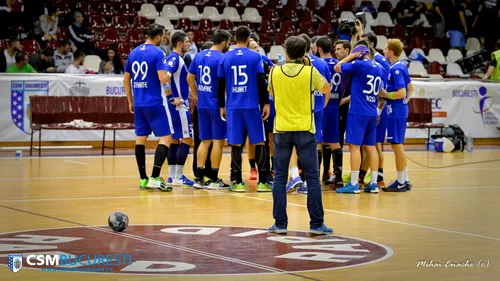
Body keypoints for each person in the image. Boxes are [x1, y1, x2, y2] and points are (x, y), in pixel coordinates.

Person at [267, 35, 332, 235]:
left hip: (282, 129)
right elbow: (326, 89)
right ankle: (316, 224)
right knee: (312, 178)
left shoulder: (274, 72)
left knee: (279, 178)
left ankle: (280, 224)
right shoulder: (311, 71)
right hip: (305, 128)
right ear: (304, 53)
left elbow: (273, 93)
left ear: (286, 52)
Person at [217, 26, 271, 193]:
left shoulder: (225, 57)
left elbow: (220, 85)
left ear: (234, 37)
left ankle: (237, 181)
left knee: (235, 143)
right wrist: (266, 104)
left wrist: (221, 106)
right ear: (249, 39)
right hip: (252, 105)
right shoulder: (256, 57)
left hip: (233, 106)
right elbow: (262, 82)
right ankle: (263, 182)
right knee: (259, 142)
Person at [124, 23, 174, 191]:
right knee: (166, 138)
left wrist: (130, 101)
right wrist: (168, 78)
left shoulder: (133, 52)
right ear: (159, 36)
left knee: (140, 139)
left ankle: (143, 179)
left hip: (138, 103)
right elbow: (162, 78)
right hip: (155, 102)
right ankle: (155, 177)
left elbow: (126, 80)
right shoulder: (158, 53)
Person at [334, 41, 384, 194]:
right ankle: (374, 183)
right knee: (370, 147)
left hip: (358, 112)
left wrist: (351, 56)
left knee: (354, 147)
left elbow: (337, 67)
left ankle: (354, 183)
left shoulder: (359, 64)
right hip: (372, 111)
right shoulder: (380, 68)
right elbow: (382, 91)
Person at [285, 33, 331, 194]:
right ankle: (311, 180)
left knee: (293, 144)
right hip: (317, 109)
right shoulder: (321, 63)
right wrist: (322, 106)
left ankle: (296, 177)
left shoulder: (291, 65)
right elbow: (327, 88)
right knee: (315, 142)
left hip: (297, 109)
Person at [187, 29, 232, 189]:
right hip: (216, 104)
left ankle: (199, 179)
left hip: (203, 104)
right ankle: (213, 179)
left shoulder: (199, 55)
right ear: (224, 42)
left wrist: (196, 94)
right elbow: (224, 83)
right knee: (218, 141)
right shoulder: (222, 58)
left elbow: (189, 77)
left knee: (204, 141)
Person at [380, 38, 414, 192]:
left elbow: (402, 92)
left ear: (392, 51)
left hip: (395, 110)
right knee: (398, 145)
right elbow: (411, 88)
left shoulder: (395, 69)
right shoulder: (400, 66)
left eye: (386, 49)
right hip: (398, 109)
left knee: (396, 145)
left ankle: (400, 182)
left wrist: (385, 94)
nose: (383, 51)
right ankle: (405, 180)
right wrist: (406, 101)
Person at [359, 32, 391, 188]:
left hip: (377, 107)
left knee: (375, 145)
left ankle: (379, 177)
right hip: (370, 106)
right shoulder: (371, 58)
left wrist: (379, 110)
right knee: (368, 145)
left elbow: (382, 89)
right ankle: (362, 176)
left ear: (370, 44)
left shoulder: (379, 61)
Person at [164, 31, 195, 187]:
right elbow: (165, 77)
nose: (189, 44)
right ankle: (179, 176)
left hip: (175, 106)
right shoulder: (175, 58)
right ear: (179, 43)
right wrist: (171, 97)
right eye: (187, 41)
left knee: (175, 140)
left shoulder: (176, 58)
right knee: (187, 139)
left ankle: (172, 176)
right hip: (179, 107)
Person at [316, 36, 344, 189]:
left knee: (318, 143)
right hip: (335, 106)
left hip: (322, 105)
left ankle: (320, 175)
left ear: (318, 49)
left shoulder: (319, 64)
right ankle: (338, 177)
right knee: (334, 142)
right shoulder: (339, 64)